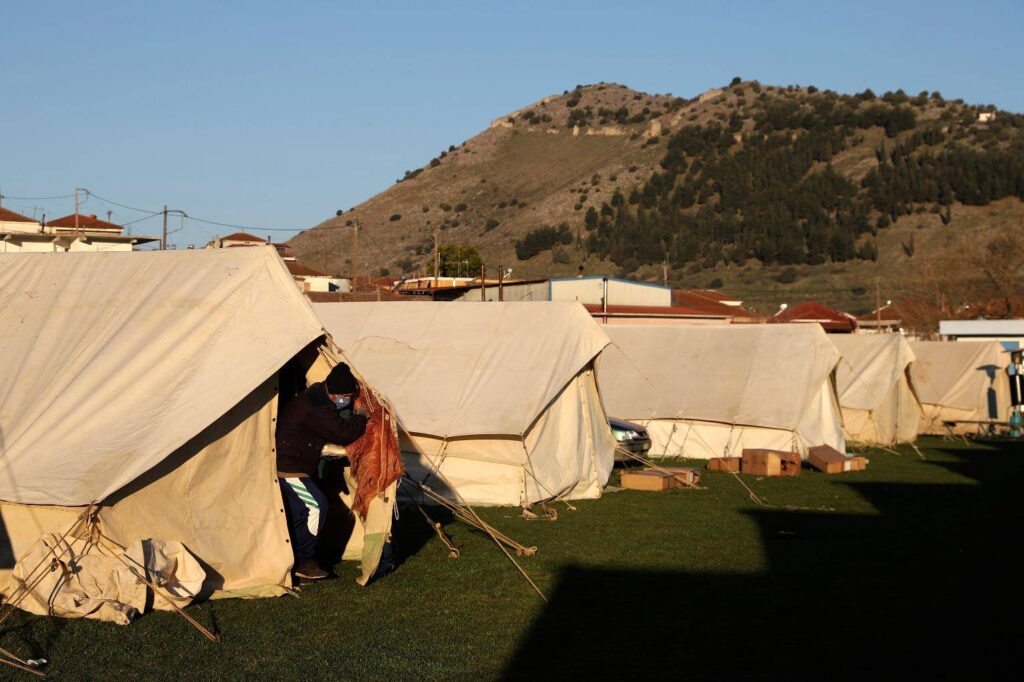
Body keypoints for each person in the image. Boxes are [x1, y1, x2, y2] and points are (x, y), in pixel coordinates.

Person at [276, 363, 368, 580]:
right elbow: (343, 433)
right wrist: (362, 417)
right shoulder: (316, 407)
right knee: (316, 505)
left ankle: (296, 558)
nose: (347, 401)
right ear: (335, 394)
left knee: (300, 513)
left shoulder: (316, 395)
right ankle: (304, 560)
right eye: (346, 397)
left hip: (295, 463)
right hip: (290, 467)